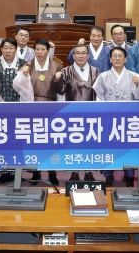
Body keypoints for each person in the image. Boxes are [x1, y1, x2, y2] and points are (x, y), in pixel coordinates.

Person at [93, 46, 139, 186]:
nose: (117, 59)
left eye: (120, 56)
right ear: (110, 59)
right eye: (114, 56)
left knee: (128, 146)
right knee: (109, 146)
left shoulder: (133, 76)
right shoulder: (103, 76)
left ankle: (129, 175)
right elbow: (99, 97)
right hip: (109, 118)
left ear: (125, 59)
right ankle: (108, 174)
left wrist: (137, 84)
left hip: (128, 119)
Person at [12, 39, 61, 185]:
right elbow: (17, 85)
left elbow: (62, 88)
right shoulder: (28, 65)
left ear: (48, 51)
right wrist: (23, 75)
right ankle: (36, 171)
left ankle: (52, 172)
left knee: (50, 141)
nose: (40, 52)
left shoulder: (56, 65)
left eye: (43, 49)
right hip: (32, 107)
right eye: (37, 49)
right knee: (33, 141)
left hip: (51, 106)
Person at [51, 43, 99, 182]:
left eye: (83, 53)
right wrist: (57, 79)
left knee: (89, 143)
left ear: (88, 56)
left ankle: (89, 171)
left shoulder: (95, 71)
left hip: (91, 114)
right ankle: (74, 172)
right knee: (73, 144)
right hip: (72, 115)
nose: (80, 56)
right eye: (77, 53)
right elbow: (60, 90)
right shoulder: (66, 71)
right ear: (73, 56)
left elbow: (100, 92)